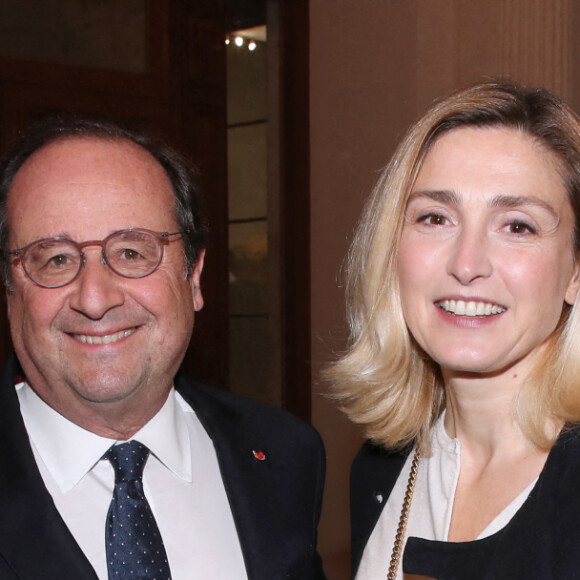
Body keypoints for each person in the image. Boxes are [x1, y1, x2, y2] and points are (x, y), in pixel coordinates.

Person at [0, 116, 326, 579]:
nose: (95, 298)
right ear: (10, 289)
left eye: (132, 252)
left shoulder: (286, 455)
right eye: (55, 259)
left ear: (193, 277)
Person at [328, 81, 580, 579]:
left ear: (575, 269)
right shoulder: (379, 469)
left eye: (517, 226)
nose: (467, 264)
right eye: (435, 217)